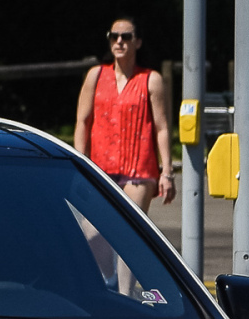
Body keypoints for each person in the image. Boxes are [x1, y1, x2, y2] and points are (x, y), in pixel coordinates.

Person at [73, 16, 174, 209]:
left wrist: (167, 173)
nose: (119, 41)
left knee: (130, 233)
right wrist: (80, 161)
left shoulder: (151, 80)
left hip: (139, 171)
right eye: (114, 36)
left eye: (126, 37)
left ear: (138, 42)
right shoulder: (96, 75)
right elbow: (82, 122)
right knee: (93, 234)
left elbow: (162, 128)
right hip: (99, 168)